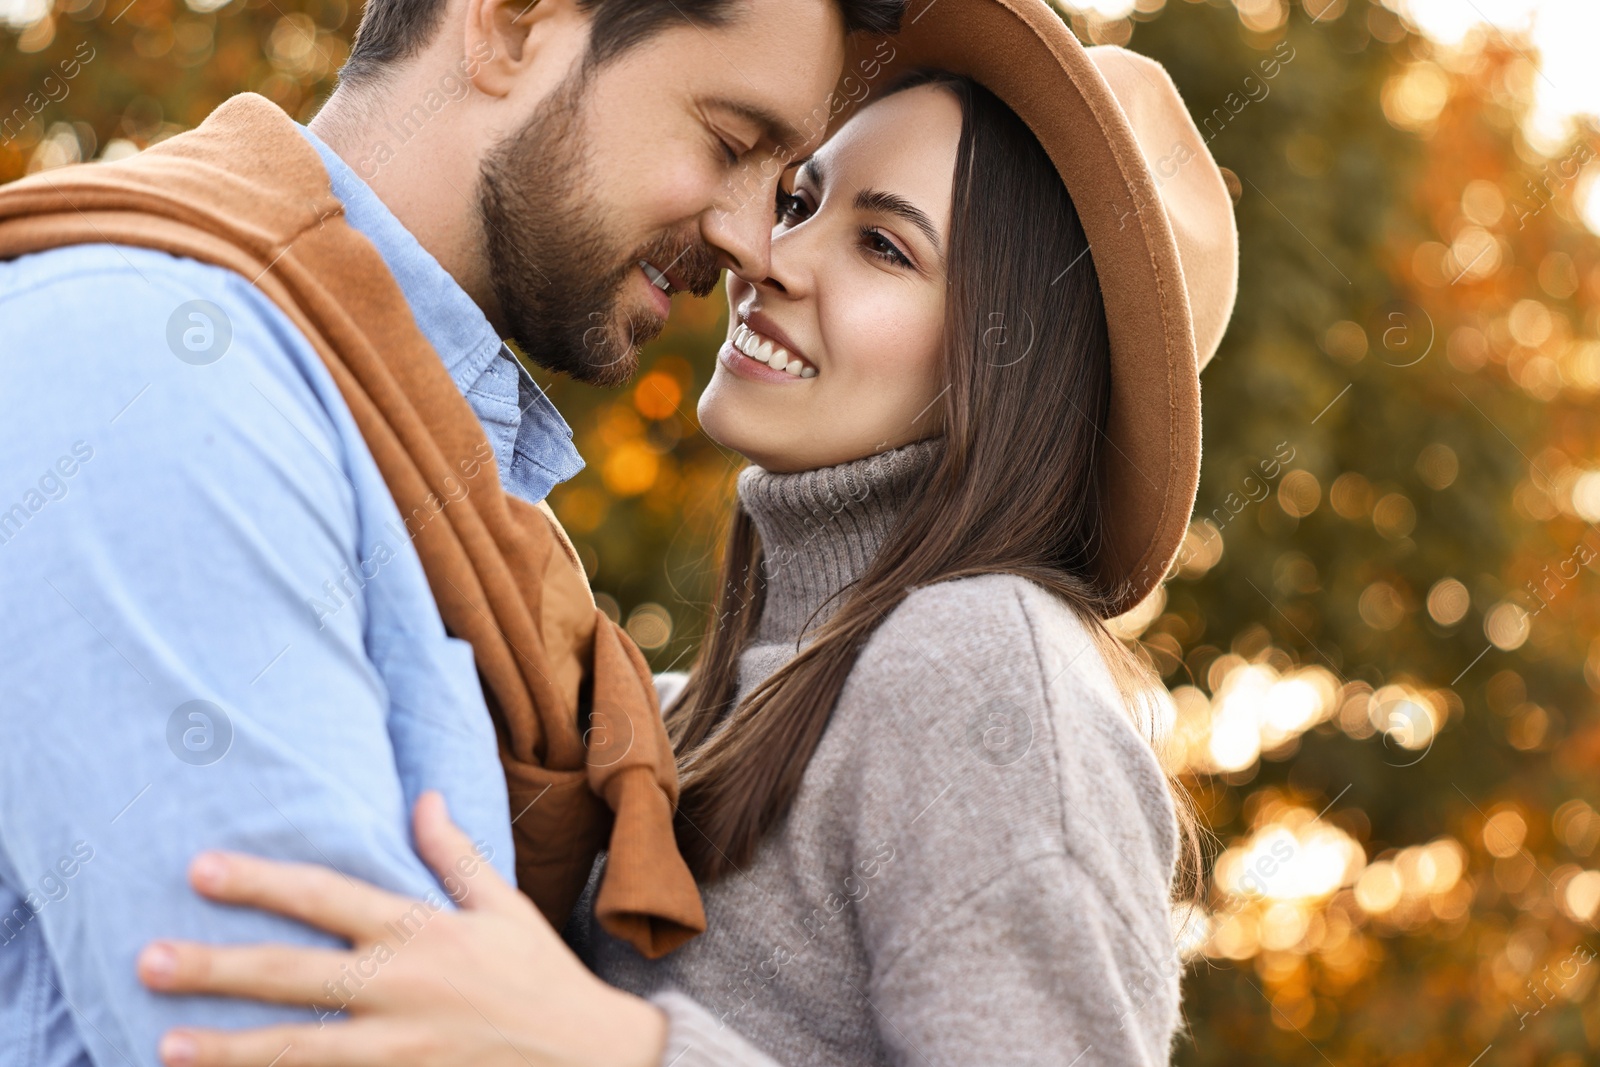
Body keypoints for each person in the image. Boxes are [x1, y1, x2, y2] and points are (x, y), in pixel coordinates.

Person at [130, 0, 1241, 1064]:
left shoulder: (981, 666)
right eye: (801, 200)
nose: (769, 255)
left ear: (1009, 369)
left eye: (884, 248)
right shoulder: (686, 709)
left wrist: (609, 1045)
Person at [0, 0, 904, 1063]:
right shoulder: (162, 371)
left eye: (783, 183)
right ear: (513, 26)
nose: (753, 242)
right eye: (729, 143)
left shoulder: (435, 463)